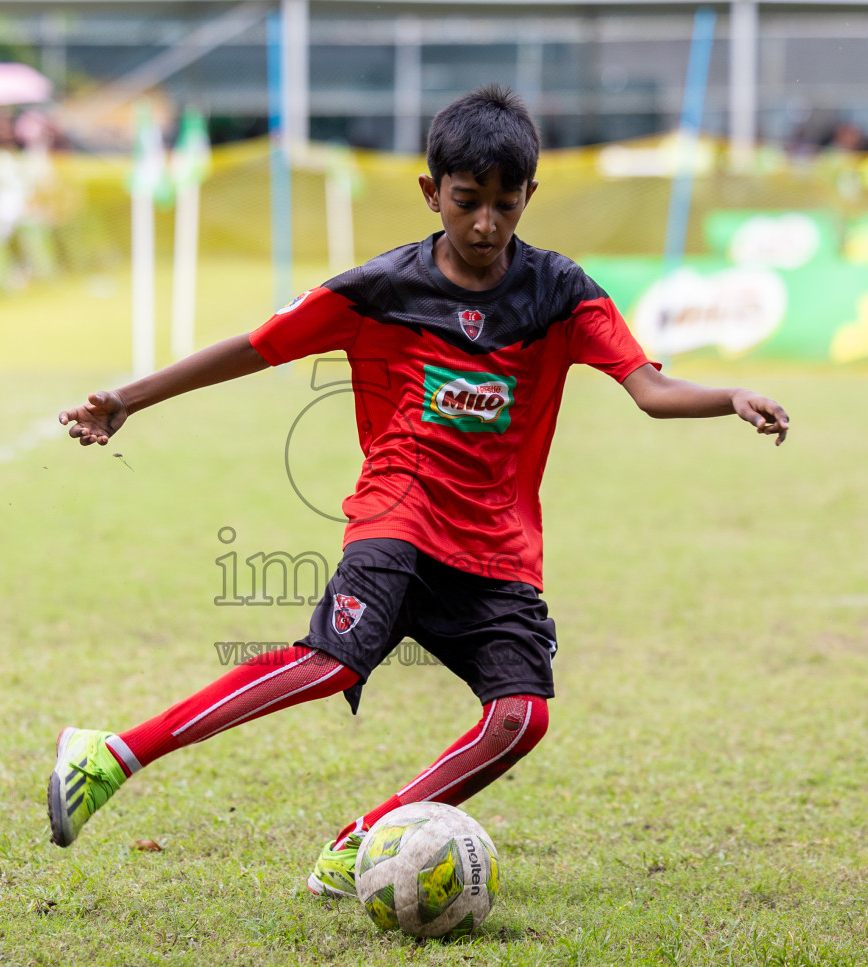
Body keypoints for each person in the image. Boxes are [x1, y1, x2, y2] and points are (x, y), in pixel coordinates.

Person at [47, 87, 791, 897]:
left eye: (505, 206)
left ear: (528, 199)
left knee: (521, 719)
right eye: (467, 203)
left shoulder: (560, 293)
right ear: (432, 192)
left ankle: (362, 841)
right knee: (330, 661)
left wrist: (729, 397)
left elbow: (647, 387)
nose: (485, 225)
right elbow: (256, 348)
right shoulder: (381, 290)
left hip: (496, 548)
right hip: (397, 514)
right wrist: (128, 399)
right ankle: (111, 755)